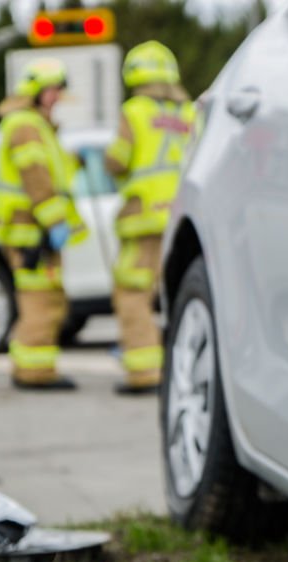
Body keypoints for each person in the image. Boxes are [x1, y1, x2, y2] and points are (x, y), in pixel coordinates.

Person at [105, 41, 195, 395]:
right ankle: (177, 369)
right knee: (175, 295)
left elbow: (119, 159)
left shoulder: (136, 111)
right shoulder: (189, 113)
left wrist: (103, 160)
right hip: (181, 217)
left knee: (131, 292)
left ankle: (144, 372)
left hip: (143, 218)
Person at [0, 58, 87, 390]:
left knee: (43, 299)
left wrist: (75, 161)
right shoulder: (26, 125)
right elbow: (35, 177)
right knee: (40, 301)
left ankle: (28, 365)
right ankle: (35, 372)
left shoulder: (33, 124)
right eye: (51, 91)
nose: (56, 97)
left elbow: (51, 173)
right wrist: (54, 222)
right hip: (30, 232)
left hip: (32, 230)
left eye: (58, 91)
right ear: (35, 92)